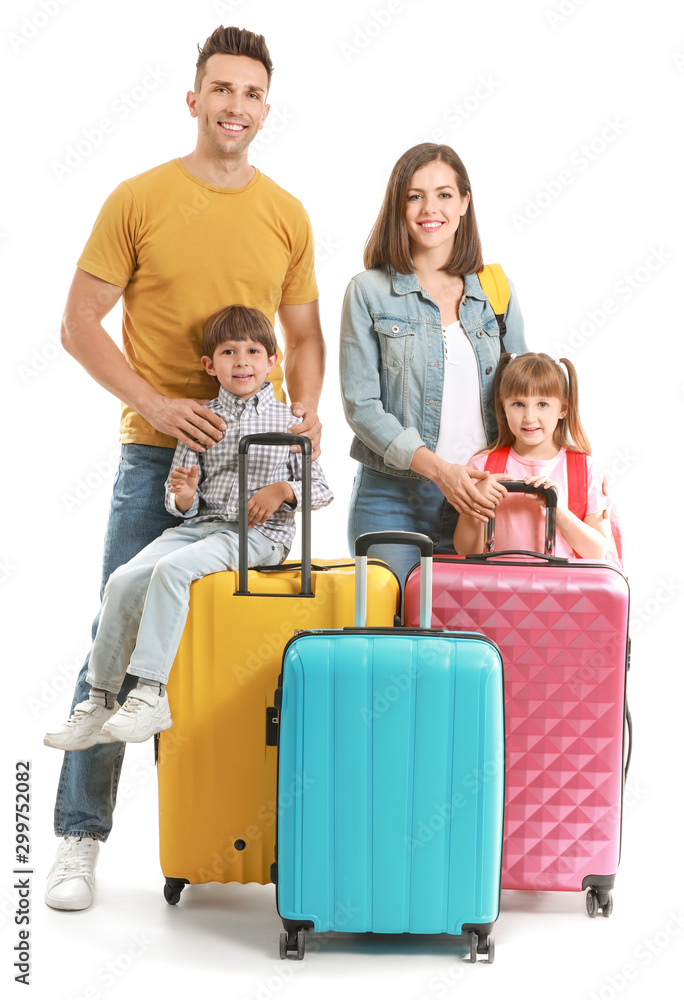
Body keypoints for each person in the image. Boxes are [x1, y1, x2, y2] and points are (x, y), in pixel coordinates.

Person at [47, 25, 325, 911]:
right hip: (157, 457)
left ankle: (234, 836)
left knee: (235, 642)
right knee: (117, 623)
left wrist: (308, 413)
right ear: (194, 98)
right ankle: (77, 843)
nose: (235, 106)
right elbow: (79, 324)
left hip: (256, 466)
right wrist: (161, 407)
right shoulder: (139, 198)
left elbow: (308, 336)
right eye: (222, 89)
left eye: (251, 93)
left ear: (265, 108)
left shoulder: (286, 212)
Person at [44, 305, 332, 750]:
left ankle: (150, 692)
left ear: (272, 362)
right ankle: (100, 699)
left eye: (254, 351)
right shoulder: (199, 417)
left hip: (257, 536)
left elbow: (320, 489)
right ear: (208, 364)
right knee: (122, 579)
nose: (242, 361)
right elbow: (181, 503)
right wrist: (183, 494)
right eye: (229, 352)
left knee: (174, 571)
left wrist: (279, 490)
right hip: (201, 525)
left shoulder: (290, 421)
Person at [340, 142, 528, 585]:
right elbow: (361, 407)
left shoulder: (494, 290)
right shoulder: (368, 292)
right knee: (392, 630)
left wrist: (563, 463)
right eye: (414, 195)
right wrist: (441, 471)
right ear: (398, 206)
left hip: (483, 496)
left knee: (471, 636)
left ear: (464, 202)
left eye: (444, 194)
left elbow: (527, 394)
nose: (430, 208)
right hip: (392, 497)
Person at [453, 352, 612, 559]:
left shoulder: (585, 469)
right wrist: (475, 504)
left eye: (542, 405)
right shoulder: (481, 466)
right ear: (503, 407)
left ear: (563, 408)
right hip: (496, 589)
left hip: (564, 589)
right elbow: (465, 550)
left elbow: (597, 552)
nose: (529, 417)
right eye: (518, 404)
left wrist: (558, 511)